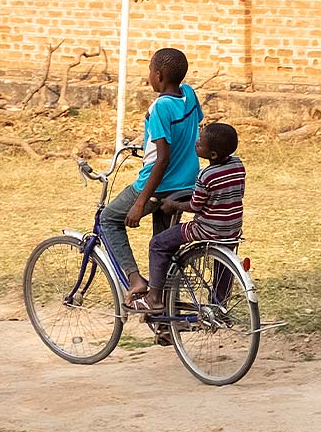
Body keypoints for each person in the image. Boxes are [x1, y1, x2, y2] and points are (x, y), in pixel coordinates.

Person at [101, 48, 203, 302]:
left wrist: (139, 203)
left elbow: (163, 158)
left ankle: (135, 280)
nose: (148, 75)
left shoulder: (160, 108)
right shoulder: (189, 94)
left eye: (149, 70)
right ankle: (165, 322)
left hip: (157, 185)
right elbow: (189, 128)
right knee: (164, 250)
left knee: (109, 219)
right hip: (187, 182)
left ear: (158, 75)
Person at [127, 122, 245, 313]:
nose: (196, 143)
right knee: (222, 268)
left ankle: (154, 297)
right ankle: (220, 306)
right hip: (231, 228)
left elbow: (195, 206)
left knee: (158, 244)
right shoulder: (237, 165)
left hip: (207, 228)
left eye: (200, 143)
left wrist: (173, 205)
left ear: (213, 155)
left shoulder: (206, 175)